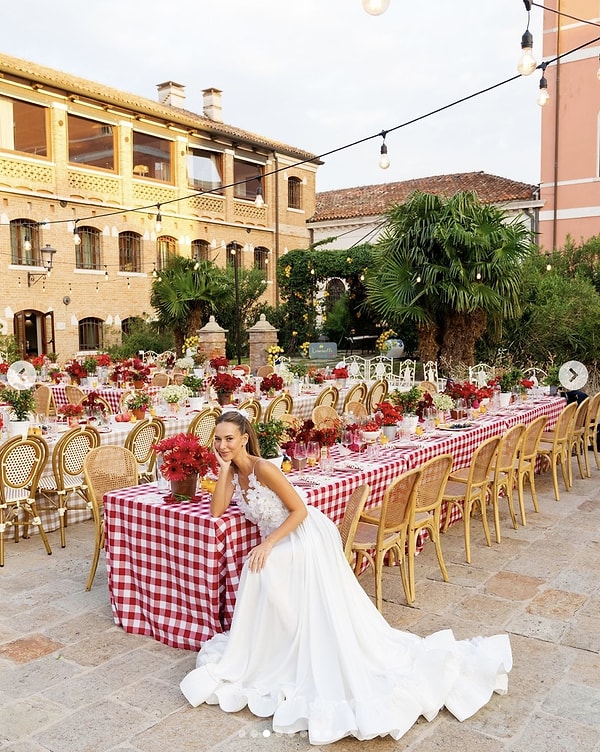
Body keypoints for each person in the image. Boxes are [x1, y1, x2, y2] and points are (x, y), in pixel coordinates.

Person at [180, 410, 512, 745]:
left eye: (229, 439)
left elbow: (300, 511)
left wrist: (268, 543)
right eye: (218, 439)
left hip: (304, 535)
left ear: (244, 438)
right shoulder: (234, 471)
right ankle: (282, 645)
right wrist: (224, 468)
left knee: (261, 569)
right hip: (283, 536)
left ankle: (292, 644)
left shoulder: (264, 467)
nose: (222, 445)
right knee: (259, 570)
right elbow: (217, 510)